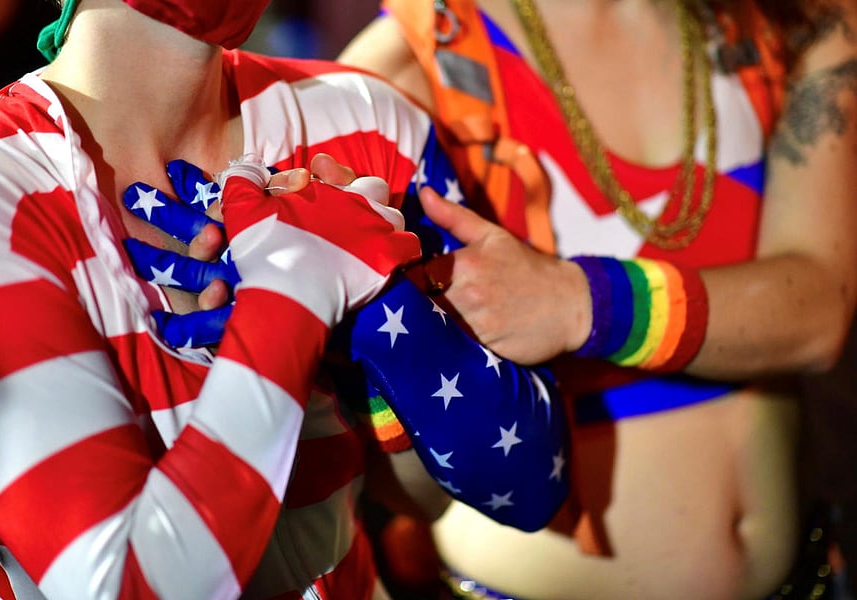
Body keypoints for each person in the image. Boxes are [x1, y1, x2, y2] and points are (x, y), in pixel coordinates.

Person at [0, 0, 573, 598]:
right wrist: (295, 297)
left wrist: (376, 320)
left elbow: (509, 488)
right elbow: (127, 585)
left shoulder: (364, 116)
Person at [334, 0, 857, 598]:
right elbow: (402, 491)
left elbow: (819, 314)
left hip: (805, 576)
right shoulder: (398, 72)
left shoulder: (793, 20)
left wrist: (580, 303)